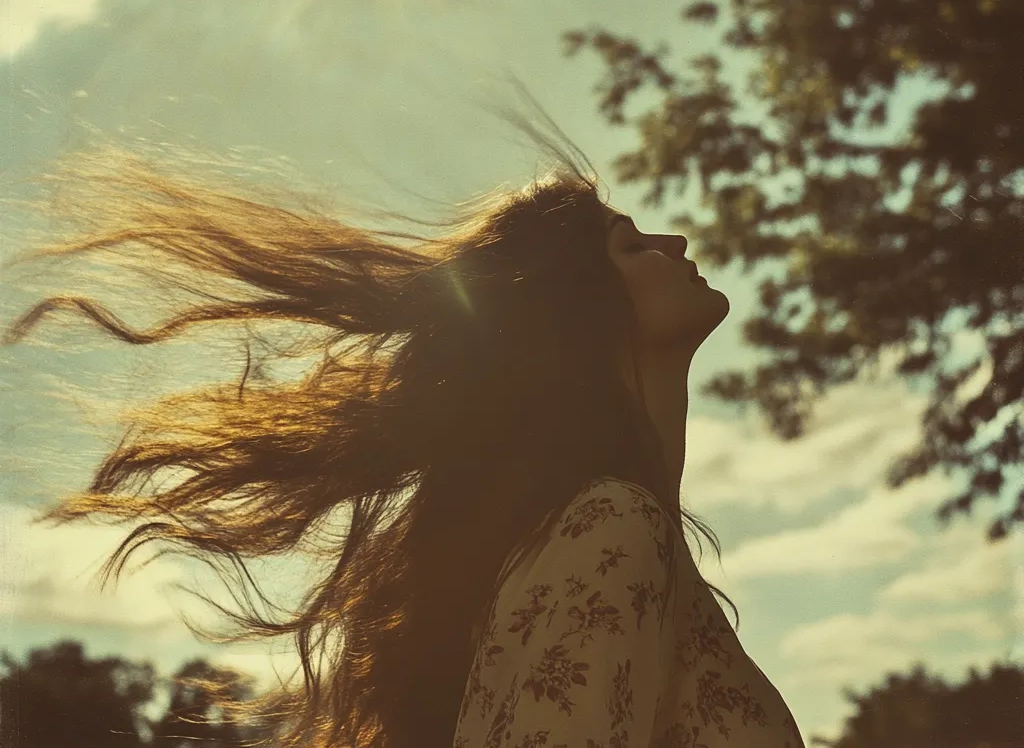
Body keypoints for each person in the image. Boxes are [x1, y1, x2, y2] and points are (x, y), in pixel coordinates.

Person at [3, 85, 804, 748]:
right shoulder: (610, 528)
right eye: (632, 246)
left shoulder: (617, 526)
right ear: (582, 317)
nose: (677, 236)